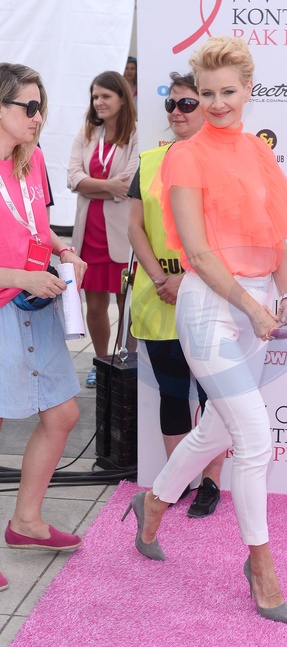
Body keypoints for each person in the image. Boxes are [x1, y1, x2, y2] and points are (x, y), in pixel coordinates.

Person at [122, 36, 287, 623]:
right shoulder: (186, 156)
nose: (217, 103)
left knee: (216, 430)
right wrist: (252, 308)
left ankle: (153, 503)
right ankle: (261, 566)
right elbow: (199, 255)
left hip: (256, 303)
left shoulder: (256, 151)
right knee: (254, 437)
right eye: (206, 94)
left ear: (249, 90)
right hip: (209, 307)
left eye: (228, 91)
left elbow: (276, 233)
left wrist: (285, 293)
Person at [0, 63, 88, 591]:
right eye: (28, 107)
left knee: (63, 413)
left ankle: (26, 523)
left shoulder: (31, 161)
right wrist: (20, 276)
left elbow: (39, 226)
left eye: (41, 107)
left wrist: (64, 250)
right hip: (10, 298)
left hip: (35, 303)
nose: (38, 117)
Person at [128, 72, 225, 518]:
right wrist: (160, 278)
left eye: (187, 104)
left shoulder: (220, 163)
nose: (176, 112)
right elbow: (135, 227)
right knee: (171, 392)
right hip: (156, 297)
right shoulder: (149, 160)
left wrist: (186, 279)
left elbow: (224, 234)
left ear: (206, 108)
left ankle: (210, 483)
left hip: (205, 294)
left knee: (212, 396)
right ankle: (176, 481)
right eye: (172, 103)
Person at [68, 71, 138, 388]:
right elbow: (72, 178)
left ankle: (126, 361)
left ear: (122, 98)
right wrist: (108, 187)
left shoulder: (136, 134)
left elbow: (128, 184)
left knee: (127, 305)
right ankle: (101, 362)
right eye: (95, 96)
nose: (99, 102)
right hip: (89, 233)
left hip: (122, 234)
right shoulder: (86, 133)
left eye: (106, 96)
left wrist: (91, 187)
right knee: (95, 307)